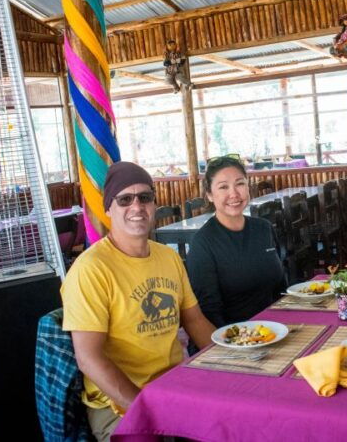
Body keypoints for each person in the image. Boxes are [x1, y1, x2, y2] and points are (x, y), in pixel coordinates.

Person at [61, 161, 215, 442]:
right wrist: (145, 408)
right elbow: (89, 358)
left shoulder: (167, 257)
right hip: (118, 402)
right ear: (109, 208)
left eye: (145, 197)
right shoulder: (91, 270)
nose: (137, 206)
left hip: (174, 384)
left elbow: (194, 319)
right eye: (125, 199)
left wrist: (228, 361)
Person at [186, 155, 287, 328]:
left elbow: (280, 288)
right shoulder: (202, 243)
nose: (234, 194)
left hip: (274, 330)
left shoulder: (264, 228)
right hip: (234, 339)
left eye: (240, 184)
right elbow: (209, 312)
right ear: (210, 195)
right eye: (223, 187)